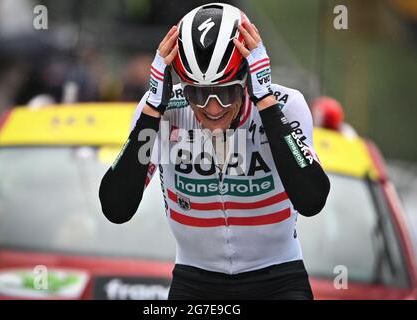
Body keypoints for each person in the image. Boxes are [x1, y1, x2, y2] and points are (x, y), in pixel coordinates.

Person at [99, 3, 330, 300]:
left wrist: (266, 104)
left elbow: (312, 199)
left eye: (226, 92)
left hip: (278, 278)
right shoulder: (163, 109)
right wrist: (153, 109)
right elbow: (116, 208)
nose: (211, 108)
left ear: (247, 79)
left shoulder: (285, 105)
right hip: (195, 281)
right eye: (196, 92)